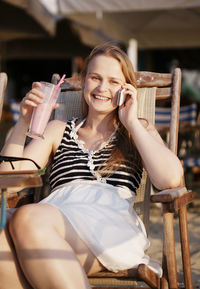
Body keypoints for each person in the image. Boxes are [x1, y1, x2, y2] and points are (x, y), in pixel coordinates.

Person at [0, 43, 183, 289]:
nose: (102, 88)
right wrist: (23, 122)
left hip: (108, 226)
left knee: (27, 216)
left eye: (113, 82)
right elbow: (9, 184)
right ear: (84, 81)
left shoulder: (136, 130)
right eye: (96, 78)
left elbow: (171, 180)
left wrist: (132, 123)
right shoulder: (58, 129)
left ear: (126, 89)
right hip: (52, 222)